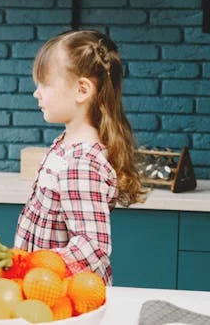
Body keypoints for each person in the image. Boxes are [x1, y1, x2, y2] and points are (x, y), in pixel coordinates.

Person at [14, 29, 146, 285]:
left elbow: (92, 246)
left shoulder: (81, 163)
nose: (36, 93)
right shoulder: (66, 146)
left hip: (68, 295)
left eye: (45, 84)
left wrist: (32, 265)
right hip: (47, 286)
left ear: (82, 90)